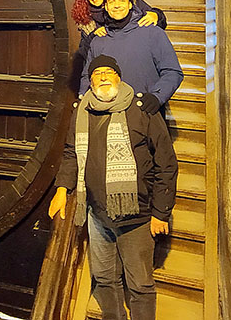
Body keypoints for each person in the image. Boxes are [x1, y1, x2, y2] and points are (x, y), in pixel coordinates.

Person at [50, 55, 178, 320]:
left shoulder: (142, 110)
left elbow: (166, 163)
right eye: (97, 74)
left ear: (119, 77)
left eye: (109, 72)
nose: (103, 77)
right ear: (90, 81)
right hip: (98, 215)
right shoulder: (82, 111)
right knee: (104, 278)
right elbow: (72, 152)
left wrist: (161, 213)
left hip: (137, 216)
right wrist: (62, 189)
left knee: (140, 284)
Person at [80, 0, 183, 114]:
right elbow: (87, 75)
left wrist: (157, 96)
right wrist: (83, 98)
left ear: (130, 5)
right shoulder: (99, 40)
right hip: (107, 115)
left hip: (144, 111)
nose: (117, 5)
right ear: (106, 7)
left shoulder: (152, 33)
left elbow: (172, 71)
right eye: (111, 1)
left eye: (122, 0)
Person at [72, 0, 165, 60]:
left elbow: (159, 26)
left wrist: (156, 15)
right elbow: (84, 54)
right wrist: (94, 36)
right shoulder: (88, 22)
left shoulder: (126, 0)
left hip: (137, 57)